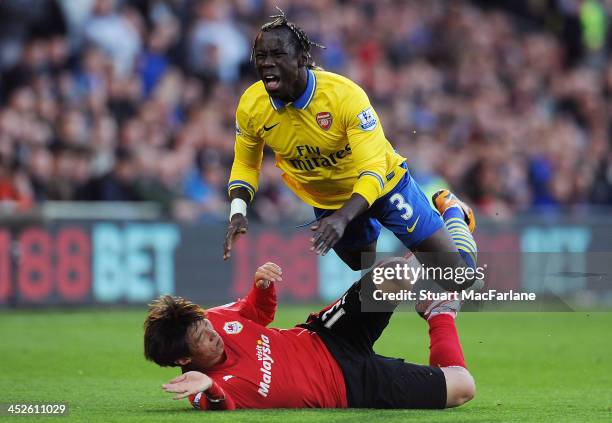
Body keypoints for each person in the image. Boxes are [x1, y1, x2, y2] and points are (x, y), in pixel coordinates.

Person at [223, 9, 477, 292]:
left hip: (384, 185)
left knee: (459, 280)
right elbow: (246, 165)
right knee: (360, 261)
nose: (267, 63)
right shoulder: (251, 105)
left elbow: (373, 170)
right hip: (329, 198)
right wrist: (238, 211)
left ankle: (453, 212)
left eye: (278, 55)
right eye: (260, 56)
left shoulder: (345, 97)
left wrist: (343, 218)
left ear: (302, 59)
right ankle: (406, 239)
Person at [144, 258, 476, 410]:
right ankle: (440, 312)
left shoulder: (215, 319)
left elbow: (255, 314)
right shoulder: (201, 389)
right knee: (462, 387)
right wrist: (210, 386)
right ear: (184, 359)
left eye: (206, 325)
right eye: (202, 337)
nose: (213, 333)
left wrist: (261, 289)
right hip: (351, 387)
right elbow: (218, 402)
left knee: (396, 272)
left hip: (325, 334)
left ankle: (444, 222)